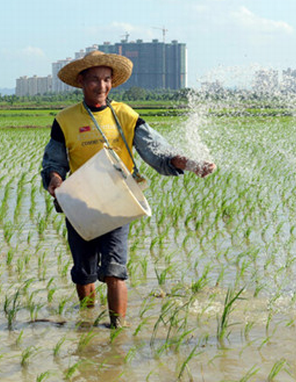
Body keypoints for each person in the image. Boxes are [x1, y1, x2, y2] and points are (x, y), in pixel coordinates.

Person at [41, 51, 216, 328]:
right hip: (80, 203)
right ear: (81, 81)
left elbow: (158, 151)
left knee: (114, 270)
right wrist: (54, 181)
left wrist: (190, 163)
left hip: (118, 201)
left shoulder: (125, 115)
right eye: (95, 80)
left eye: (107, 79)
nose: (102, 86)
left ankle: (116, 331)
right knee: (84, 272)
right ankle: (87, 324)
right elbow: (54, 162)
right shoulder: (65, 120)